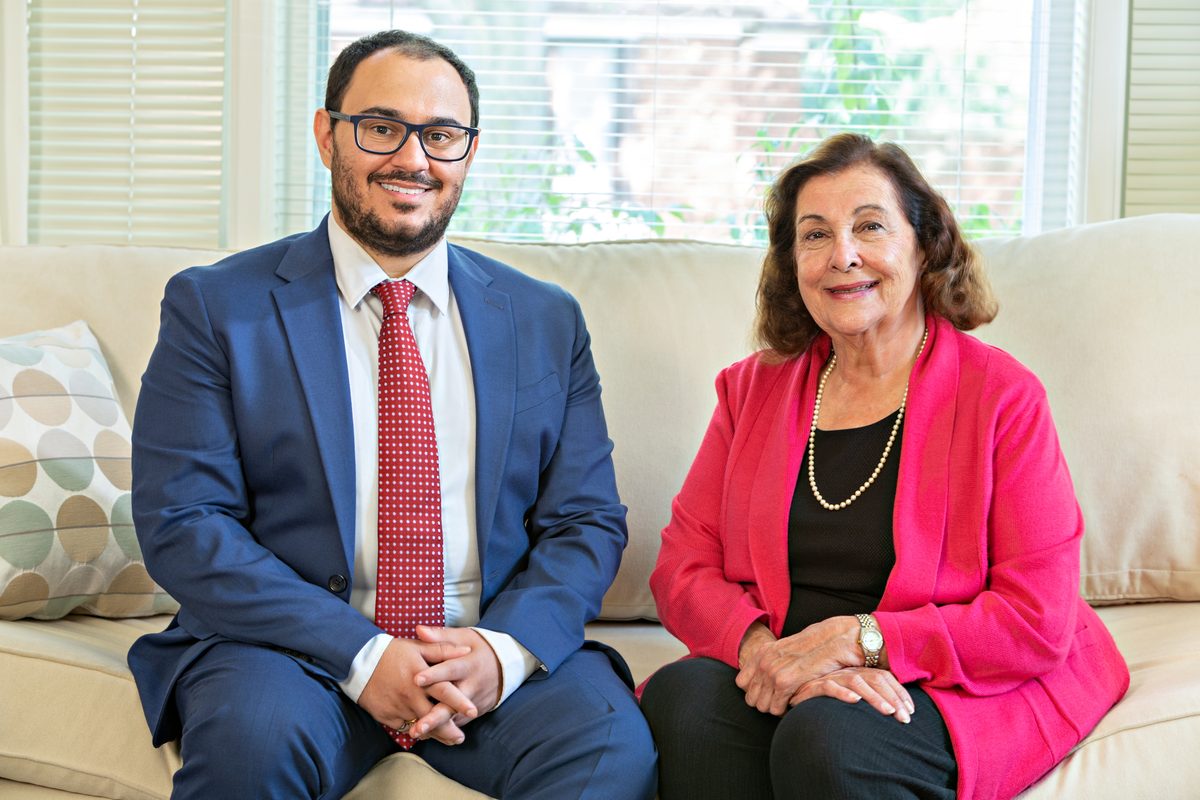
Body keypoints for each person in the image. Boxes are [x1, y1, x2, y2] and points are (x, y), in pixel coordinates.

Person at [128, 29, 656, 800]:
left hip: (486, 648)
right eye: (381, 128)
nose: (413, 159)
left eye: (441, 135)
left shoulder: (544, 319)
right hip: (292, 653)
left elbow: (586, 521)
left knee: (609, 750)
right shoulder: (217, 307)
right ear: (326, 134)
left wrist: (500, 650)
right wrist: (364, 655)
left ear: (468, 152)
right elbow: (185, 521)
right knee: (250, 747)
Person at [639, 133, 1129, 800]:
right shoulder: (751, 390)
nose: (842, 255)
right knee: (684, 701)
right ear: (793, 264)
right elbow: (682, 568)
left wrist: (857, 642)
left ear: (924, 245)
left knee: (828, 739)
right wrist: (767, 656)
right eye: (814, 236)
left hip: (951, 680)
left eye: (869, 225)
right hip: (788, 663)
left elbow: (1035, 617)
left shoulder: (1001, 396)